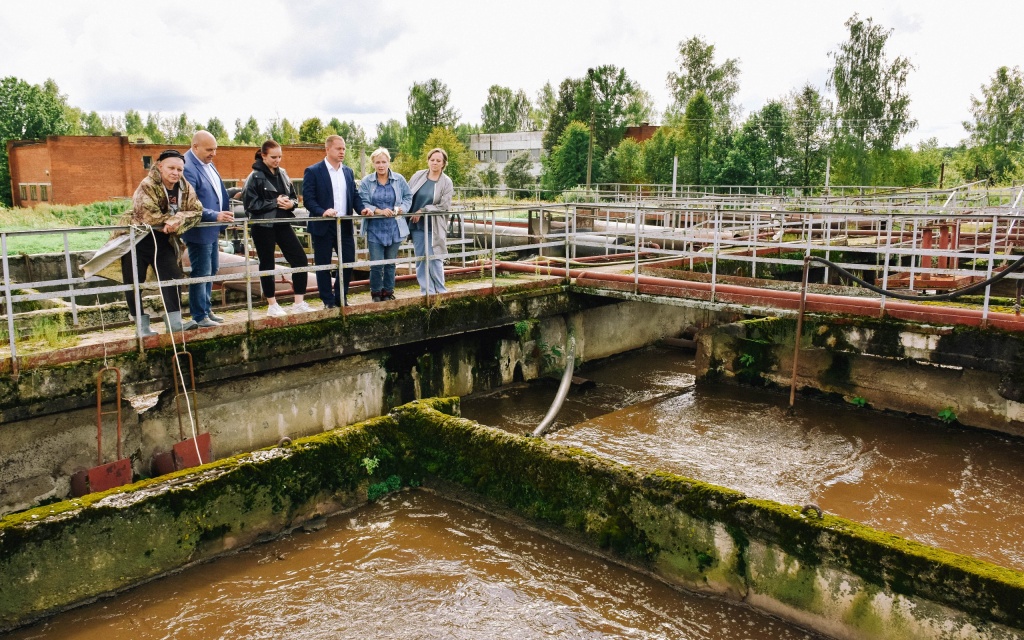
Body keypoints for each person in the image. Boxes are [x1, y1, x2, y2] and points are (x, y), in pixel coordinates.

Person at [117, 149, 202, 334]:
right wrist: (169, 220)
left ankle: (174, 323)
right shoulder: (147, 184)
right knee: (134, 282)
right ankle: (142, 327)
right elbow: (147, 214)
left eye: (180, 169)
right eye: (171, 168)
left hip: (163, 239)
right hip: (137, 239)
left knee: (173, 276)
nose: (175, 173)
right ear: (160, 166)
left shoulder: (184, 186)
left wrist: (177, 219)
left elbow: (197, 210)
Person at [242, 140, 312, 317]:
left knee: (300, 258)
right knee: (267, 263)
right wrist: (274, 202)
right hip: (262, 225)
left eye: (280, 156)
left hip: (282, 222)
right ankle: (272, 305)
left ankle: (299, 302)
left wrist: (291, 204)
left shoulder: (283, 173)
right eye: (273, 157)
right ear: (263, 156)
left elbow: (294, 198)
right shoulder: (254, 177)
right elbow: (250, 204)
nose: (277, 160)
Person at [302, 135, 364, 308]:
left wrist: (362, 209)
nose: (342, 152)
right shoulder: (313, 171)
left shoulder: (348, 172)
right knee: (323, 264)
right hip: (323, 224)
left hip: (343, 224)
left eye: (344, 148)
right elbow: (308, 199)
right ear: (327, 149)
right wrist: (322, 211)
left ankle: (341, 296)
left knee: (348, 261)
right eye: (338, 148)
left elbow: (354, 196)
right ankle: (328, 301)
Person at [181, 130, 235, 327]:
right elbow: (190, 202)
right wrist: (215, 215)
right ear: (195, 147)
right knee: (201, 271)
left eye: (215, 149)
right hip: (199, 229)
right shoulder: (187, 167)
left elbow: (218, 192)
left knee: (212, 269)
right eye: (209, 149)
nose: (214, 153)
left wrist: (225, 214)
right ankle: (199, 315)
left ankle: (207, 309)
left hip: (212, 228)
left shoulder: (206, 163)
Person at [358, 148, 412, 302]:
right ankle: (376, 293)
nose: (381, 165)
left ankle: (388, 292)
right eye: (377, 162)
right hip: (375, 227)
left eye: (383, 162)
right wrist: (379, 211)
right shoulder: (367, 181)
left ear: (389, 162)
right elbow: (363, 202)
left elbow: (408, 196)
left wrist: (403, 208)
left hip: (395, 227)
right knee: (376, 264)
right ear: (373, 164)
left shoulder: (399, 179)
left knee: (390, 263)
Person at [407, 148, 454, 295]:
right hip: (417, 226)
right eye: (432, 159)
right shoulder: (418, 176)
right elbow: (407, 195)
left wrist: (424, 210)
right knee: (421, 258)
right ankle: (427, 291)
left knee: (435, 257)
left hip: (434, 226)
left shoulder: (446, 182)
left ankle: (441, 290)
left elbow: (444, 206)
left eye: (438, 161)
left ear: (443, 164)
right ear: (428, 160)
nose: (434, 163)